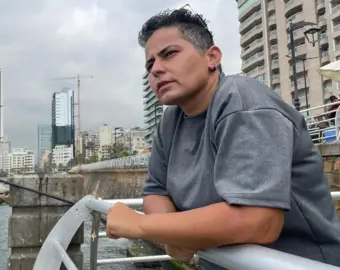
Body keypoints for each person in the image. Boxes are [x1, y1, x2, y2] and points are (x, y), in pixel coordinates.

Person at [105, 7, 340, 269]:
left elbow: (258, 221)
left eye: (169, 54)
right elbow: (156, 190)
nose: (156, 69)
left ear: (212, 57)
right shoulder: (170, 122)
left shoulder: (244, 104)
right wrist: (172, 233)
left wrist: (141, 225)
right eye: (150, 64)